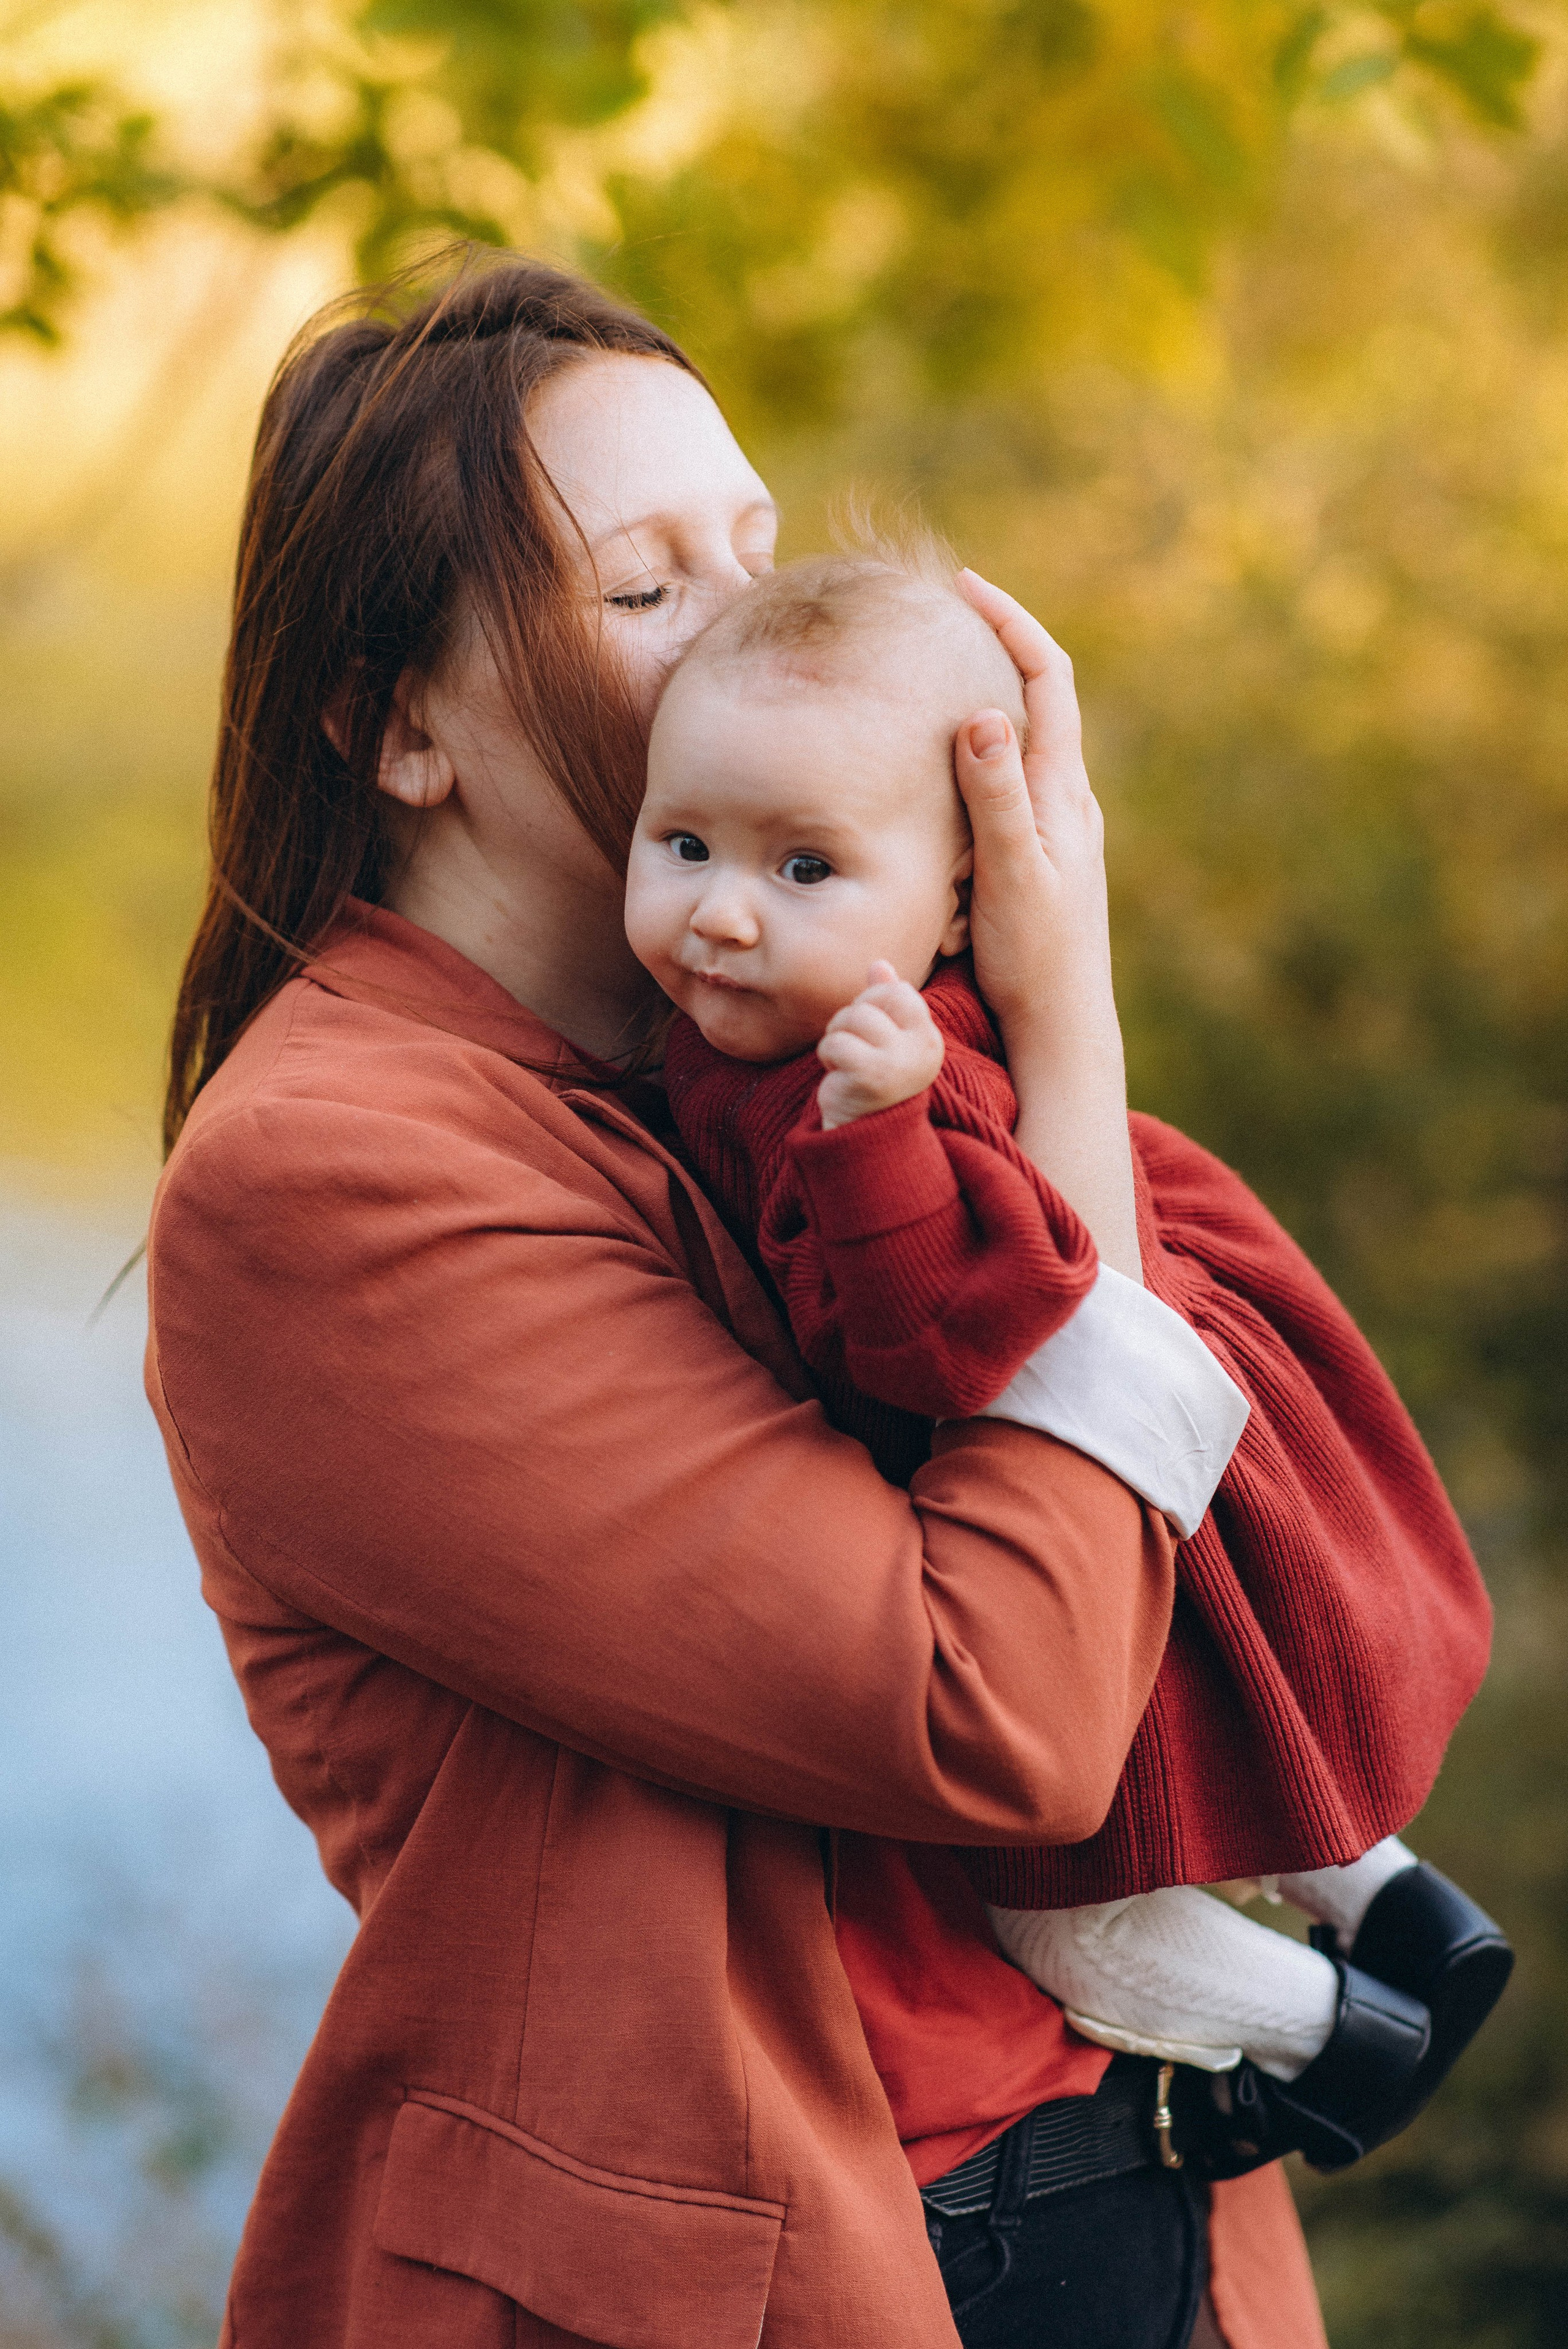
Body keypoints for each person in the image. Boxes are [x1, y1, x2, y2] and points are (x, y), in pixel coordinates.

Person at [141, 249, 1430, 2349]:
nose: (750, 626)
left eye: (757, 550)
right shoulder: (337, 1178)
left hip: (1145, 2208)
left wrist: (1021, 1012)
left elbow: (1224, 1424)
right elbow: (1005, 1706)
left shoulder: (773, 1061)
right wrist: (1070, 1024)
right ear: (394, 728)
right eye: (648, 588)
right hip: (790, 2271)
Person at [624, 546, 1510, 2177]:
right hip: (1126, 1457)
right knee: (1225, 1756)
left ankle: (1341, 2039)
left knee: (1072, 1911)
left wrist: (874, 1147)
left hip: (1075, 1489)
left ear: (959, 899)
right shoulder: (789, 1009)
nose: (725, 912)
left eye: (806, 866)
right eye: (681, 843)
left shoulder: (888, 1087)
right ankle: (1401, 1902)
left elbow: (929, 1339)